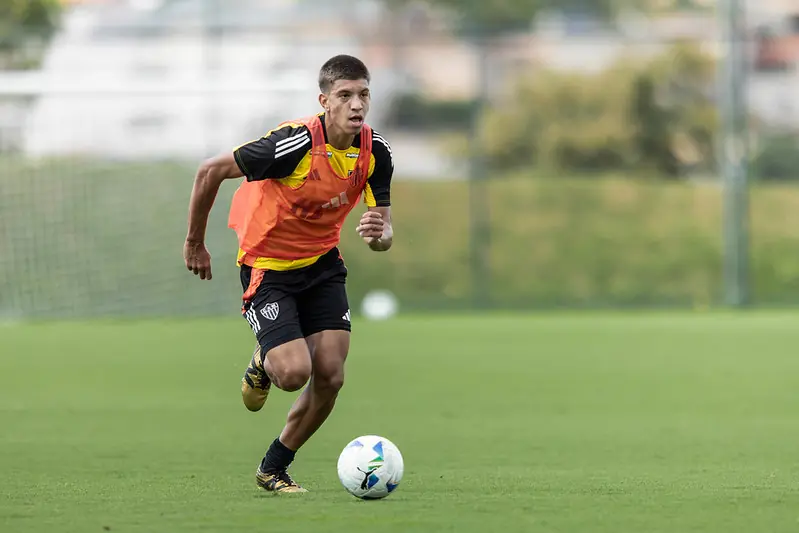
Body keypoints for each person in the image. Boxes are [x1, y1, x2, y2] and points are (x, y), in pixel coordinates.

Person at [182, 54, 394, 493]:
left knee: (331, 375)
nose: (357, 104)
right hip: (269, 269)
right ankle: (263, 361)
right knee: (294, 373)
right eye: (345, 95)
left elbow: (383, 235)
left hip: (322, 266)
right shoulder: (294, 144)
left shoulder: (376, 152)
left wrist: (380, 235)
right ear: (324, 101)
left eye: (364, 94)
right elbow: (209, 170)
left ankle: (274, 468)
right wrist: (194, 242)